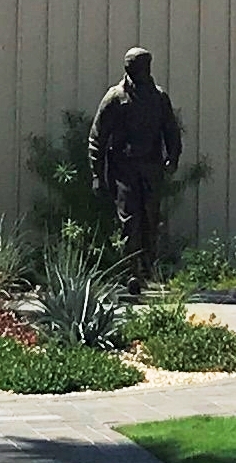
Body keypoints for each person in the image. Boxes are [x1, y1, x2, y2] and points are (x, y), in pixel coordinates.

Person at [88, 47, 182, 295]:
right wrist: (97, 174)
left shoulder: (158, 97)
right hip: (124, 168)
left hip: (151, 167)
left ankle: (149, 269)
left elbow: (171, 131)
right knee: (129, 219)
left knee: (151, 218)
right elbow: (97, 138)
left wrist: (173, 157)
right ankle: (131, 272)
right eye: (134, 67)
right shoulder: (116, 97)